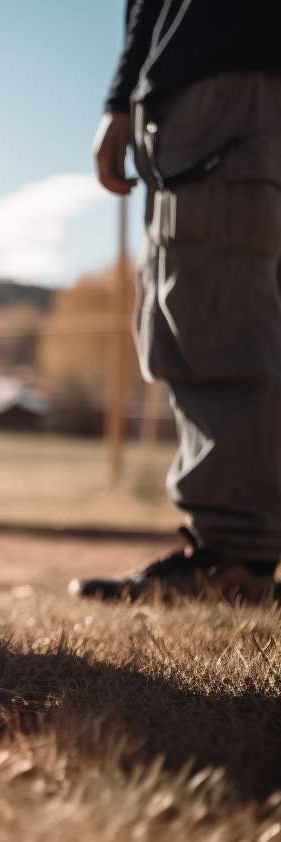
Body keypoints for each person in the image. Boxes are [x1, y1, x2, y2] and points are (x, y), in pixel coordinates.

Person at [72, 0, 281, 602]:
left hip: (224, 74)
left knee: (213, 310)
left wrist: (120, 98)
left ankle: (234, 560)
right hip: (227, 77)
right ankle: (241, 550)